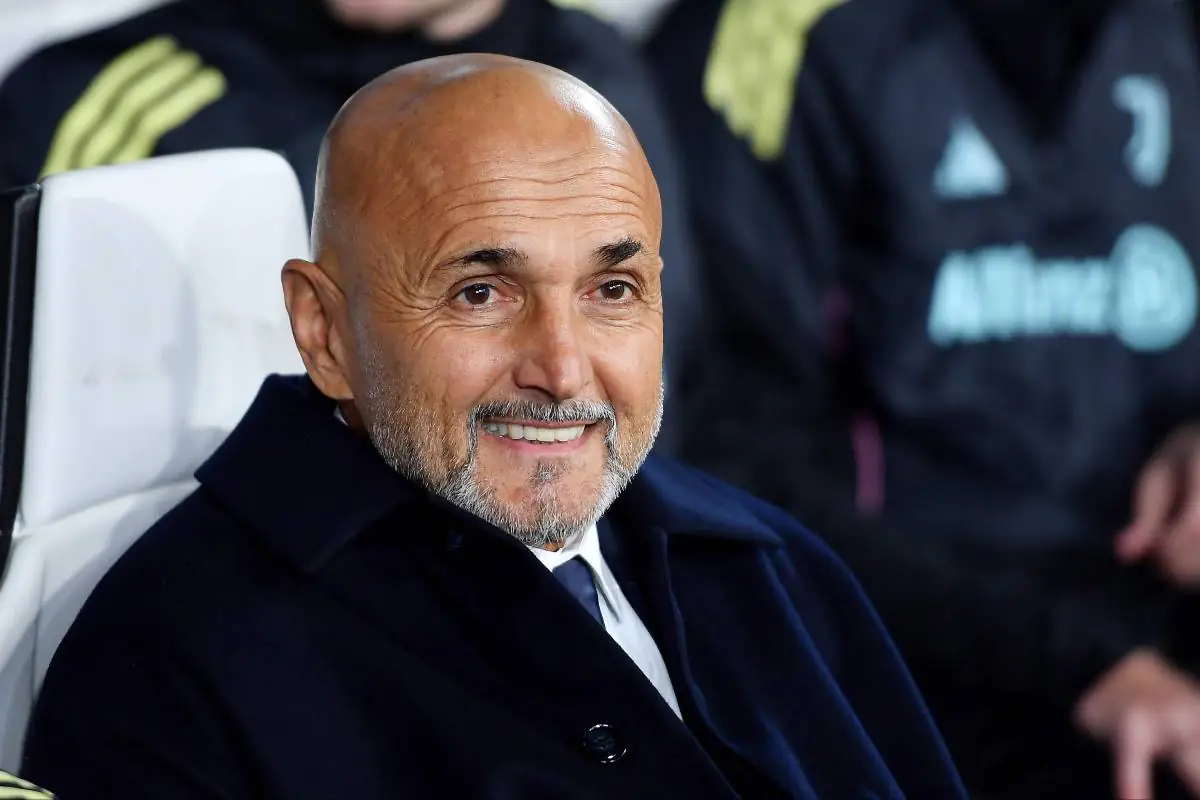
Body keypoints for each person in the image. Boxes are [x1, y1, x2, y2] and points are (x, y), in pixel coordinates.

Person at [20, 55, 965, 799]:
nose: (562, 369)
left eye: (612, 290)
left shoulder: (769, 567)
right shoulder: (172, 664)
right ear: (324, 331)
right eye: (481, 293)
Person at [649, 0, 1200, 797]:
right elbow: (740, 474)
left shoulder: (1169, 30)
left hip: (1157, 618)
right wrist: (1070, 663)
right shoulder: (768, 39)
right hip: (916, 656)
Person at [0, 0, 700, 449]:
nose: (561, 368)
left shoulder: (604, 71)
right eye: (481, 292)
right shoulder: (94, 100)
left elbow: (689, 375)